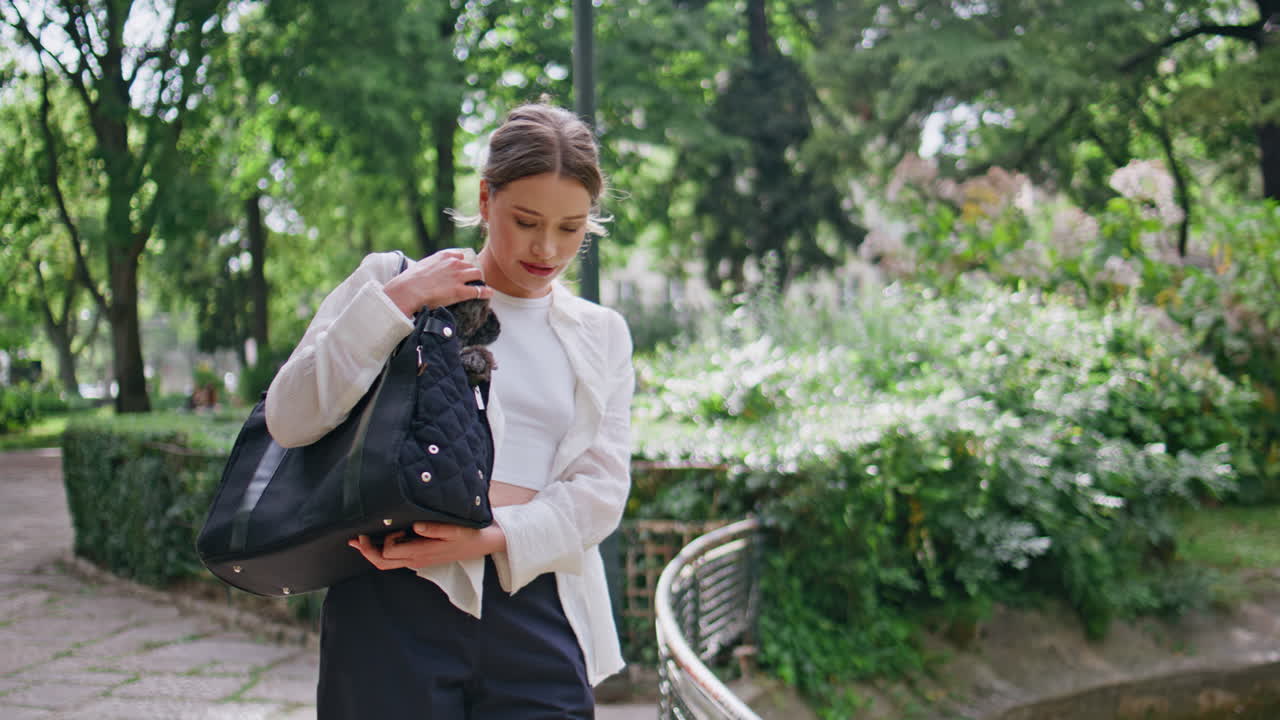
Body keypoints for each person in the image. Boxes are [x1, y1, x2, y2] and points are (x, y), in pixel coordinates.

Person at [264, 103, 634, 719]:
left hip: (537, 603)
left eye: (571, 228)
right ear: (486, 199)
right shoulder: (394, 281)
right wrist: (400, 301)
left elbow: (601, 491)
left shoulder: (601, 334)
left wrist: (486, 536)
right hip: (390, 598)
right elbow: (290, 416)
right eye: (526, 220)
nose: (547, 247)